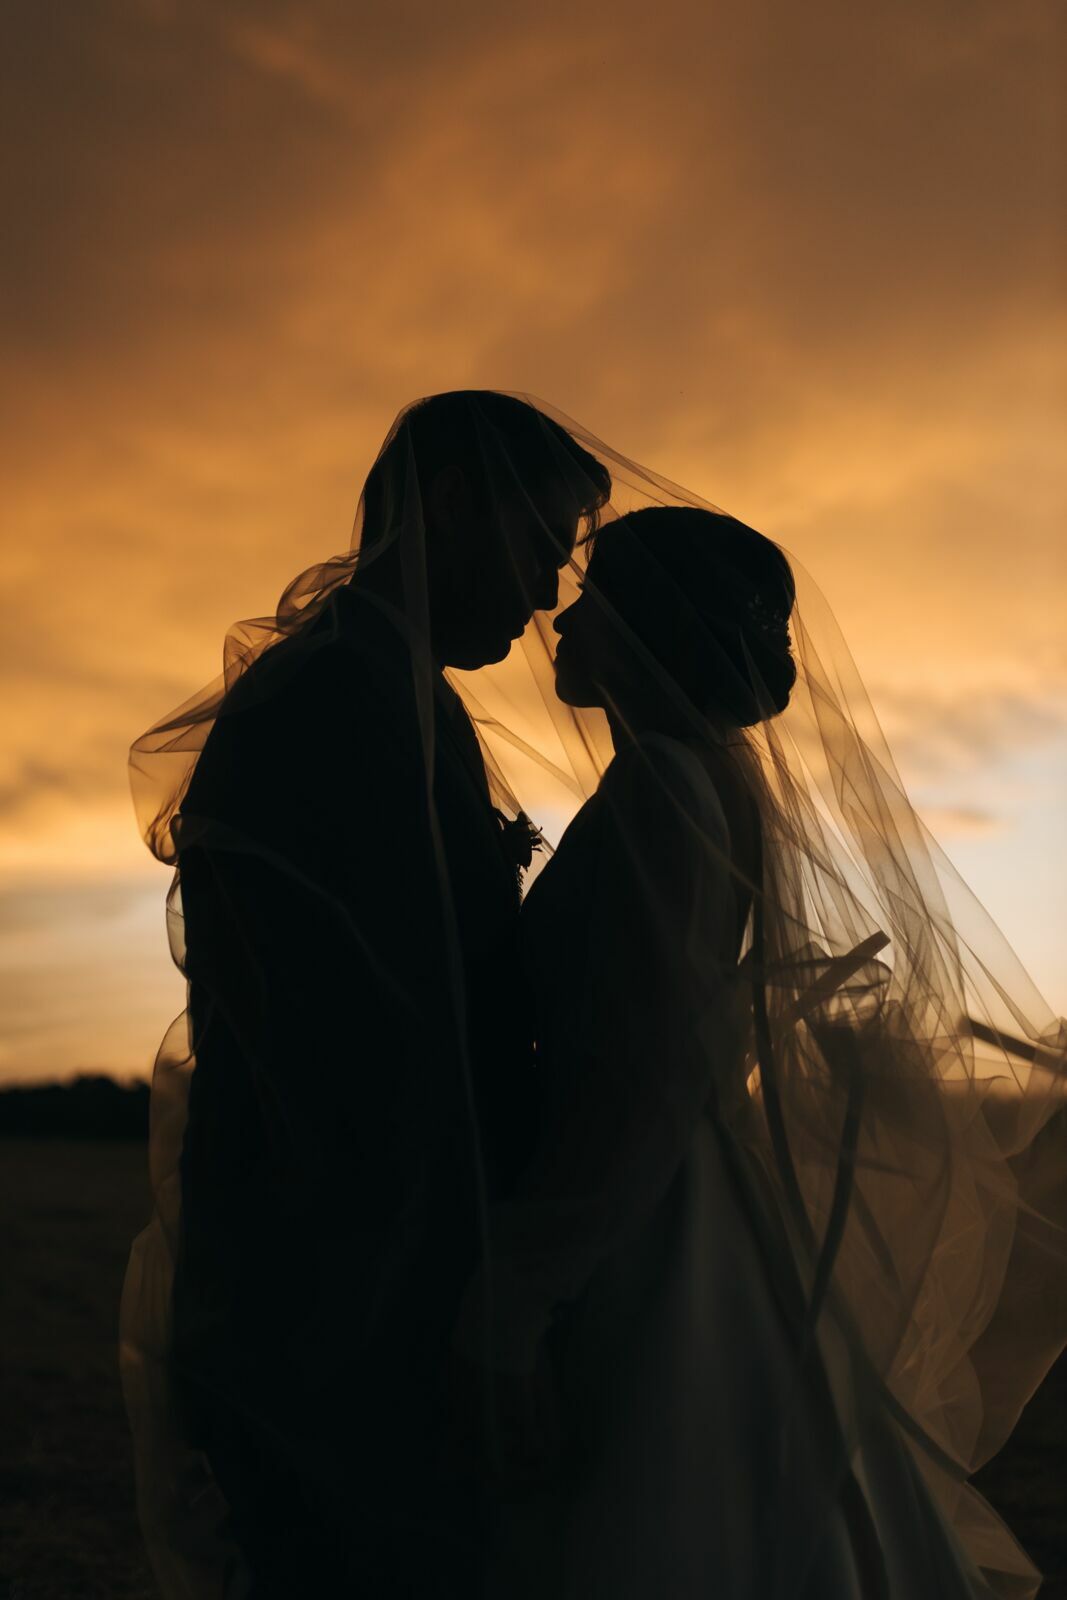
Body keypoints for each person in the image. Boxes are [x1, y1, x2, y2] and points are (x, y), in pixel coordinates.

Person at [450, 502, 1067, 1599]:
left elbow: (649, 1071)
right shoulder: (697, 774)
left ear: (652, 622)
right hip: (685, 1204)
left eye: (593, 598)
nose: (561, 621)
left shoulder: (661, 788)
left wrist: (525, 1289)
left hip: (637, 1227)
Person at [119, 392, 610, 1598]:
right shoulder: (330, 699)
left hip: (373, 1268)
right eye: (540, 544)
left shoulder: (400, 691)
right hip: (330, 1286)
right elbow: (339, 1035)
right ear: (448, 501)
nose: (550, 593)